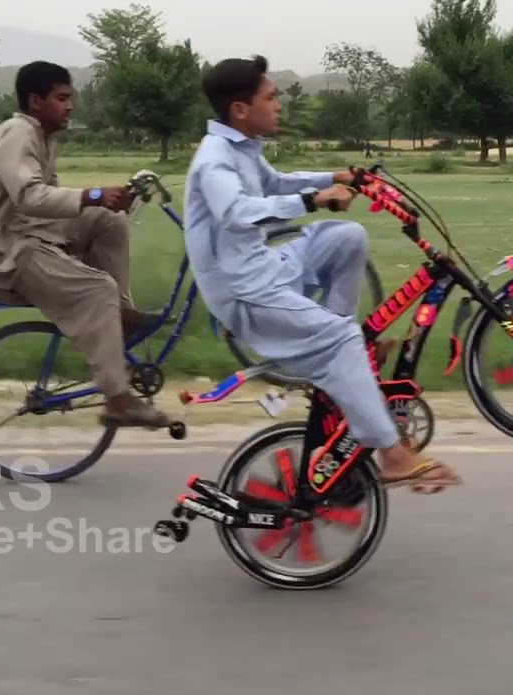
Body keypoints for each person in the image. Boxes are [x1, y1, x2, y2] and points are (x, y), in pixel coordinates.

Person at [183, 55, 461, 493]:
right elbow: (236, 214)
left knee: (346, 237)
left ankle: (340, 362)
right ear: (240, 109)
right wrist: (316, 200)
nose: (279, 105)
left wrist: (335, 177)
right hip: (245, 291)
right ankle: (391, 453)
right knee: (341, 338)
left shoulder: (241, 148)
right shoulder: (215, 160)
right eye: (270, 97)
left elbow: (275, 184)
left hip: (267, 268)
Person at [0, 60, 173, 429]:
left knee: (109, 221)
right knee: (97, 289)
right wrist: (93, 194)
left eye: (69, 97)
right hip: (5, 251)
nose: (70, 106)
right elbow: (30, 196)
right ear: (35, 101)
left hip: (29, 234)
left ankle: (119, 315)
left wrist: (106, 201)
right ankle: (118, 399)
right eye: (61, 98)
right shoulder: (17, 133)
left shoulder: (42, 137)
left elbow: (51, 200)